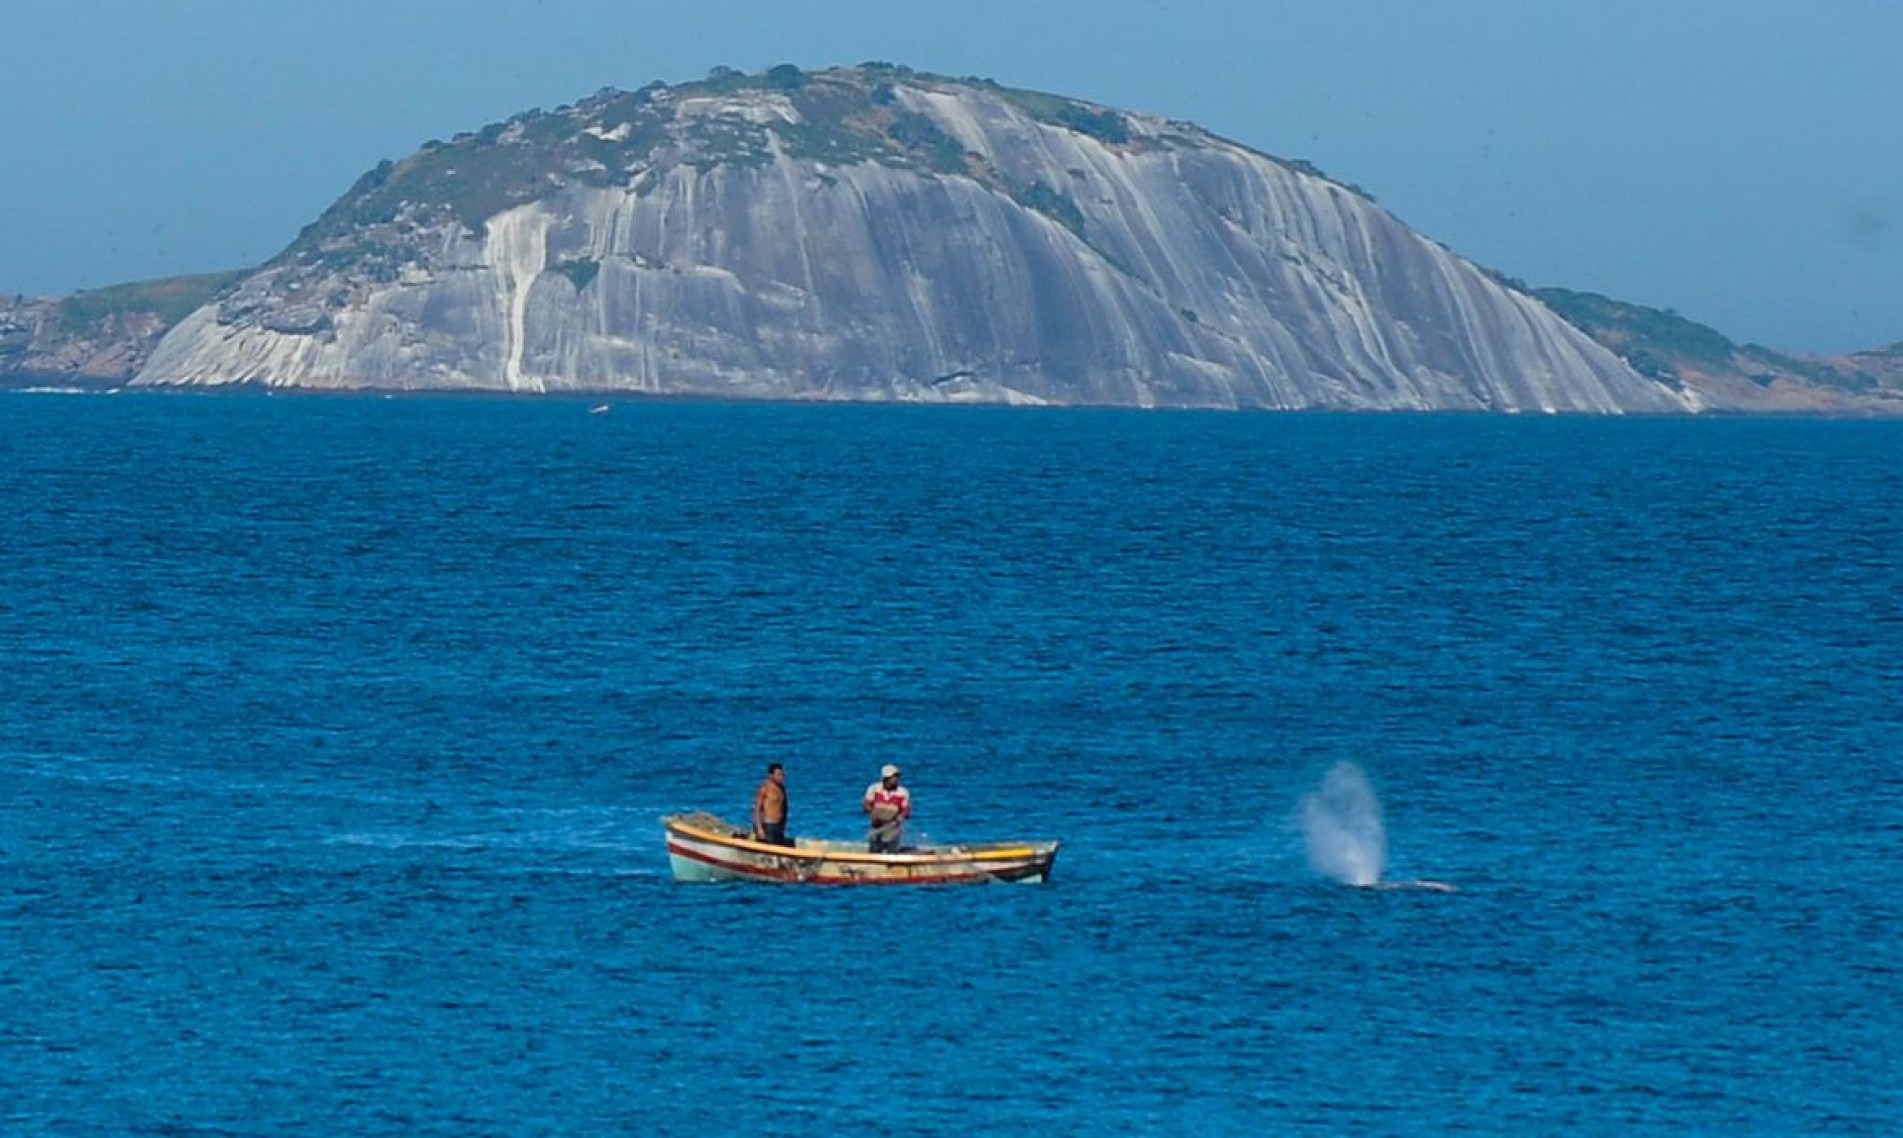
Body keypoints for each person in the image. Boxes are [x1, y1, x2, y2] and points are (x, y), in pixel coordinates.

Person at [862, 764, 912, 853]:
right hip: (876, 827)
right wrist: (873, 813)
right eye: (892, 778)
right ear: (885, 779)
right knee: (874, 850)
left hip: (893, 828)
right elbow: (866, 805)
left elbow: (906, 810)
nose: (895, 780)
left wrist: (901, 817)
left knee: (892, 851)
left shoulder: (902, 792)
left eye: (896, 777)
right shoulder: (874, 788)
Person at [751, 762, 791, 846]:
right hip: (767, 825)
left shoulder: (782, 788)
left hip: (778, 825)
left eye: (782, 774)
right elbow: (757, 809)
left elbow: (784, 808)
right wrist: (759, 828)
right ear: (771, 775)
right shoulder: (765, 788)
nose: (781, 777)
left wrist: (783, 824)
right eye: (778, 774)